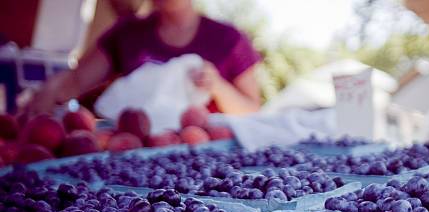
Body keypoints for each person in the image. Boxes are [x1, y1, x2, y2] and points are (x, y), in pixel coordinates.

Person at [26, 0, 261, 116]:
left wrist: (217, 86)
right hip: (136, 158)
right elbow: (73, 83)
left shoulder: (228, 38)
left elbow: (252, 111)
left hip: (206, 161)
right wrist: (38, 104)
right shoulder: (127, 33)